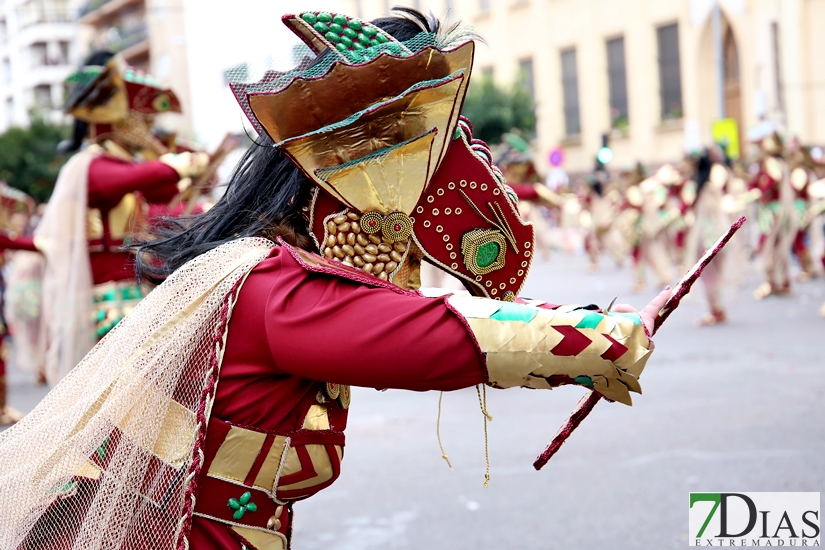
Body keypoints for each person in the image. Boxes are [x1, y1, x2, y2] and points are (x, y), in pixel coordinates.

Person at [0, 10, 669, 549]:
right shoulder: (273, 289)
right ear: (363, 210)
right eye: (404, 246)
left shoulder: (250, 268)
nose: (405, 274)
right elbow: (428, 334)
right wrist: (608, 337)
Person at [34, 51, 208, 384]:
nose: (145, 127)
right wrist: (177, 163)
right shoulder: (90, 165)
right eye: (138, 118)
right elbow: (141, 179)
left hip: (134, 285)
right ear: (118, 119)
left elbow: (159, 201)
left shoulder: (125, 165)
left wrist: (196, 202)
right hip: (105, 296)